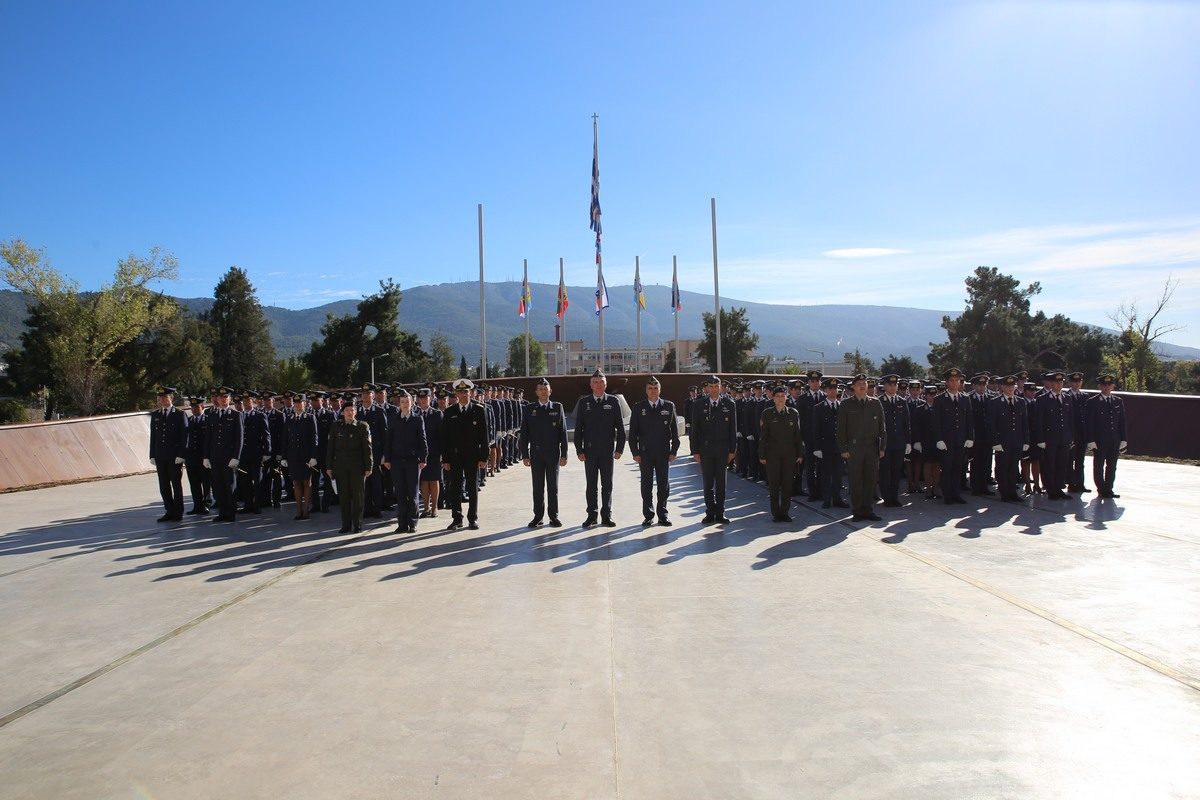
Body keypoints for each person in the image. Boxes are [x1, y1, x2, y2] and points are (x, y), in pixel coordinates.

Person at [573, 369, 626, 527]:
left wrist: (619, 449)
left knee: (607, 485)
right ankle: (592, 515)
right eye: (595, 382)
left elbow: (621, 429)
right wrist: (579, 449)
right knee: (591, 485)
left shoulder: (613, 402)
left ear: (606, 384)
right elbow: (578, 429)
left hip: (607, 450)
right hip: (589, 451)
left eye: (601, 382)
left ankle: (606, 515)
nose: (598, 385)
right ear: (591, 385)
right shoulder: (584, 403)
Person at [628, 376, 680, 527]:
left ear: (660, 390)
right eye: (650, 388)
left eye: (656, 388)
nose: (653, 391)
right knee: (646, 484)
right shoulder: (639, 407)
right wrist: (635, 452)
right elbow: (633, 434)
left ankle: (663, 514)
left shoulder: (668, 406)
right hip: (645, 454)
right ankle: (648, 515)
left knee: (663, 484)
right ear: (646, 390)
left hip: (663, 453)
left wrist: (674, 450)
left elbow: (675, 432)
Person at [441, 378, 490, 531]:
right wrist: (446, 459)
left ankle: (472, 518)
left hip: (472, 455)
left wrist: (483, 457)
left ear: (471, 393)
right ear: (456, 394)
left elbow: (484, 436)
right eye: (460, 392)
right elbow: (445, 438)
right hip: (455, 456)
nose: (463, 395)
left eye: (466, 392)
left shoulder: (479, 410)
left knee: (472, 487)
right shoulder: (449, 412)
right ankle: (457, 519)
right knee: (455, 487)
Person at [520, 377, 569, 528]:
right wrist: (525, 455)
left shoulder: (557, 407)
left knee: (553, 487)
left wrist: (564, 454)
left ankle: (553, 516)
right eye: (540, 389)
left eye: (545, 389)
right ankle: (538, 516)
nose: (543, 391)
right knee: (538, 486)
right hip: (536, 453)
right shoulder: (529, 409)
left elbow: (563, 432)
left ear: (550, 391)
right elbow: (524, 433)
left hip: (553, 453)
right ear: (536, 392)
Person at [689, 374, 737, 524]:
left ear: (721, 387)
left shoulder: (729, 404)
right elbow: (695, 429)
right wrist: (695, 450)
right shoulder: (699, 404)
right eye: (711, 387)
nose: (714, 389)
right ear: (707, 388)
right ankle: (710, 512)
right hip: (706, 450)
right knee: (708, 483)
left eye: (717, 386)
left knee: (721, 483)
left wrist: (732, 450)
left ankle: (720, 512)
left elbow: (732, 430)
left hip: (723, 450)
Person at [837, 374, 886, 522]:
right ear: (853, 387)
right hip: (854, 448)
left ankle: (868, 510)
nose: (862, 385)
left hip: (872, 448)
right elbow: (841, 429)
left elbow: (882, 428)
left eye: (864, 383)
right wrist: (843, 449)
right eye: (859, 383)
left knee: (870, 480)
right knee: (856, 480)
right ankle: (857, 511)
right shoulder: (846, 404)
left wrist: (882, 447)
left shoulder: (875, 403)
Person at [381, 389, 427, 533]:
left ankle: (412, 522)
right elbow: (388, 441)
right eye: (402, 402)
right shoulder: (393, 419)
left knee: (412, 493)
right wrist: (387, 458)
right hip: (396, 461)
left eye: (407, 401)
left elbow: (422, 440)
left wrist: (423, 458)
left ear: (412, 403)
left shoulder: (417, 419)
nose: (405, 404)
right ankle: (402, 523)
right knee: (400, 493)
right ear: (399, 404)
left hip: (413, 461)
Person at [326, 400, 373, 534]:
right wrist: (329, 466)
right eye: (347, 410)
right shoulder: (336, 426)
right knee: (344, 496)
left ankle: (357, 524)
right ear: (342, 413)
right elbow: (330, 448)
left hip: (357, 467)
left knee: (358, 496)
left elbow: (367, 448)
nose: (349, 413)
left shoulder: (362, 426)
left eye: (352, 410)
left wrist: (369, 466)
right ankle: (345, 524)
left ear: (355, 412)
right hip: (340, 467)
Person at [758, 384, 803, 522]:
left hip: (789, 455)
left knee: (787, 485)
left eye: (783, 396)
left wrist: (800, 454)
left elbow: (797, 435)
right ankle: (776, 513)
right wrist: (762, 455)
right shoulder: (767, 413)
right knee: (774, 485)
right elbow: (763, 436)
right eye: (777, 396)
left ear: (787, 397)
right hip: (773, 455)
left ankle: (784, 512)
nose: (780, 399)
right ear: (773, 398)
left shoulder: (793, 413)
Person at [930, 368, 974, 505]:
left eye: (957, 380)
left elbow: (969, 420)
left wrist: (970, 437)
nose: (955, 383)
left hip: (960, 439)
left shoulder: (965, 399)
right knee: (947, 468)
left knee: (958, 468)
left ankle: (956, 494)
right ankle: (948, 495)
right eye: (952, 380)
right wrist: (938, 439)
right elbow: (936, 422)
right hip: (946, 441)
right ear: (947, 382)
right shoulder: (939, 399)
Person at [203, 386, 243, 523]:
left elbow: (239, 438)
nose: (223, 400)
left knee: (230, 485)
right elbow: (208, 437)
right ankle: (222, 512)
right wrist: (206, 456)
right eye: (220, 397)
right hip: (215, 456)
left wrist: (236, 456)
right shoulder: (211, 415)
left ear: (229, 399)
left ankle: (231, 512)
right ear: (217, 399)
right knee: (218, 485)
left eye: (226, 397)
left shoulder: (236, 415)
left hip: (229, 457)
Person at [1034, 370, 1075, 500]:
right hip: (1049, 438)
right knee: (1049, 464)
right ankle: (1051, 489)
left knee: (1062, 465)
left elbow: (1070, 420)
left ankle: (1058, 488)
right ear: (1051, 384)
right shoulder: (1042, 399)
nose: (1059, 385)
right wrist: (1040, 439)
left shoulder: (1067, 398)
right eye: (1056, 382)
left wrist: (1071, 437)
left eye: (1061, 382)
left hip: (1064, 438)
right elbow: (1039, 421)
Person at [149, 385, 188, 522]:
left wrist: (181, 454)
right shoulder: (156, 415)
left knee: (176, 484)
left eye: (165, 397)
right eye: (161, 397)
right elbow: (153, 436)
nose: (163, 399)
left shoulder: (179, 414)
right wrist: (152, 454)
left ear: (171, 398)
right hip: (160, 455)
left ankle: (178, 511)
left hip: (174, 456)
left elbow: (184, 436)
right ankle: (169, 510)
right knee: (163, 485)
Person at [988, 375, 1029, 502]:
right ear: (1002, 387)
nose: (1010, 388)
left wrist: (1026, 440)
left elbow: (1024, 423)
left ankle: (1012, 492)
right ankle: (1004, 492)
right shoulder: (995, 402)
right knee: (1002, 467)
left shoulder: (1020, 401)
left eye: (1012, 386)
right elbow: (992, 424)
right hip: (1002, 441)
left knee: (1013, 467)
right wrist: (995, 442)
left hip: (1016, 441)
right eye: (1007, 386)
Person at [1087, 374, 1127, 498]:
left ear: (1113, 386)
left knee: (1112, 465)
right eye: (1104, 385)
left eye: (1109, 385)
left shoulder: (1117, 401)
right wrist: (1090, 440)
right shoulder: (1092, 401)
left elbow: (1122, 421)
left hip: (1114, 439)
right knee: (1098, 465)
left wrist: (1124, 439)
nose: (1107, 387)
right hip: (1099, 440)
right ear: (1100, 386)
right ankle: (1101, 489)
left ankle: (1109, 489)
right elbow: (1089, 423)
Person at [812, 377, 848, 509]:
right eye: (830, 388)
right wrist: (817, 447)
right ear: (825, 390)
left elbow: (846, 428)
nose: (833, 391)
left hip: (839, 447)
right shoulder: (819, 408)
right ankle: (827, 499)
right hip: (825, 446)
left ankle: (837, 498)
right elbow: (816, 429)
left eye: (835, 388)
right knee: (826, 474)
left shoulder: (843, 406)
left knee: (838, 474)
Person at [282, 393, 319, 520]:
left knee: (307, 482)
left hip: (306, 457)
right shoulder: (289, 418)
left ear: (305, 404)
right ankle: (298, 510)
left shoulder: (310, 417)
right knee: (296, 483)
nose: (297, 405)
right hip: (293, 456)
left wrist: (313, 456)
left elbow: (314, 438)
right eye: (295, 403)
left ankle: (306, 510)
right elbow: (285, 440)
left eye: (300, 403)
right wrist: (284, 457)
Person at [877, 375, 911, 507]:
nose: (893, 387)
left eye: (894, 384)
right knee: (885, 472)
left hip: (899, 443)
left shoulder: (902, 401)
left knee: (896, 472)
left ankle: (894, 496)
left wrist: (908, 442)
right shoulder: (879, 401)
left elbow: (906, 423)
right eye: (890, 385)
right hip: (885, 444)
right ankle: (886, 498)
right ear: (885, 386)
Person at [358, 384, 389, 519]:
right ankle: (366, 508)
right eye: (363, 394)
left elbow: (385, 434)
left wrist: (384, 454)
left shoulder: (379, 411)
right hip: (360, 454)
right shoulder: (357, 412)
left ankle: (377, 509)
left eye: (368, 394)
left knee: (376, 483)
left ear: (373, 395)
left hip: (375, 453)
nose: (365, 396)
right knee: (363, 483)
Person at [415, 388, 444, 519]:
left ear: (430, 398)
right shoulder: (414, 414)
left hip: (434, 452)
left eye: (425, 398)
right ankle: (425, 507)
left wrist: (443, 454)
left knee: (434, 479)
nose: (423, 400)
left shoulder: (437, 414)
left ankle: (434, 507)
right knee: (424, 481)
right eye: (420, 398)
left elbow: (443, 436)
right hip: (420, 453)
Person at [184, 396, 211, 515]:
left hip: (203, 457)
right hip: (191, 458)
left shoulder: (208, 420)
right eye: (192, 407)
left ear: (202, 407)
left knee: (206, 482)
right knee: (194, 483)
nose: (194, 409)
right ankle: (197, 505)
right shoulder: (188, 421)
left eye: (196, 407)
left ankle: (206, 504)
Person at [1066, 371, 1091, 494]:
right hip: (1072, 434)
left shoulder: (1085, 396)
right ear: (1070, 383)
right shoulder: (1066, 396)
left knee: (1080, 461)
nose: (1077, 384)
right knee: (1070, 460)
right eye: (1074, 381)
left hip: (1082, 434)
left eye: (1079, 381)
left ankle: (1080, 483)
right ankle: (1071, 483)